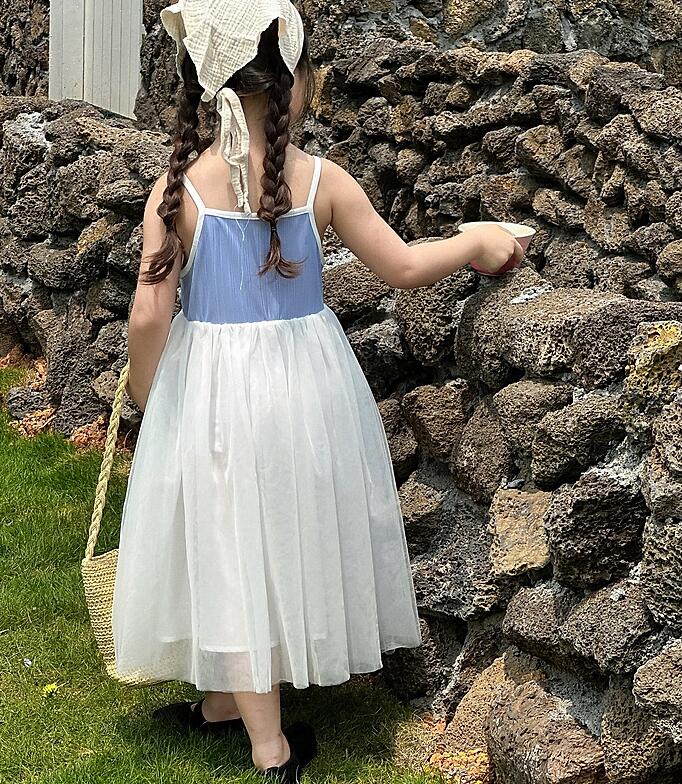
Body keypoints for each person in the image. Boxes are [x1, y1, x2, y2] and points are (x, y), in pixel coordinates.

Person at [112, 1, 525, 782]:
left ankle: (254, 732)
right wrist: (474, 240)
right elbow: (404, 267)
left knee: (230, 544)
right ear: (294, 83)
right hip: (306, 388)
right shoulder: (322, 182)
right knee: (278, 536)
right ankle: (251, 728)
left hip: (215, 391)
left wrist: (147, 395)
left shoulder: (180, 190)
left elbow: (147, 313)